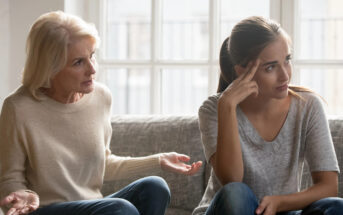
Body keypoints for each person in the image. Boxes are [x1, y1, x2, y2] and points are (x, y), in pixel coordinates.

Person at [0, 11, 202, 215]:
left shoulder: (101, 97)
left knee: (155, 187)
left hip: (93, 207)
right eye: (78, 62)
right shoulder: (18, 108)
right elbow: (9, 178)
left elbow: (103, 163)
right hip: (45, 210)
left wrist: (158, 160)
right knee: (121, 209)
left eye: (92, 56)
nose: (92, 69)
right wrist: (20, 195)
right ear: (50, 67)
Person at [193, 16, 343, 215]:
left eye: (287, 60)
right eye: (270, 67)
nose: (285, 75)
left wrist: (280, 203)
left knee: (335, 207)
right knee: (236, 194)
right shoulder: (214, 109)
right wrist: (228, 106)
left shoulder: (307, 106)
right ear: (241, 71)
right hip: (233, 210)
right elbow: (232, 180)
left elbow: (328, 187)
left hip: (281, 210)